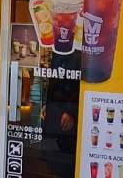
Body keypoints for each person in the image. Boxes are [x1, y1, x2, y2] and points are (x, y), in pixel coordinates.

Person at [41, 50, 81, 178]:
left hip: (68, 111)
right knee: (55, 154)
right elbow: (54, 81)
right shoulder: (57, 52)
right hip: (55, 109)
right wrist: (47, 104)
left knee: (67, 153)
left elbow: (77, 84)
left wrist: (71, 111)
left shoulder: (78, 53)